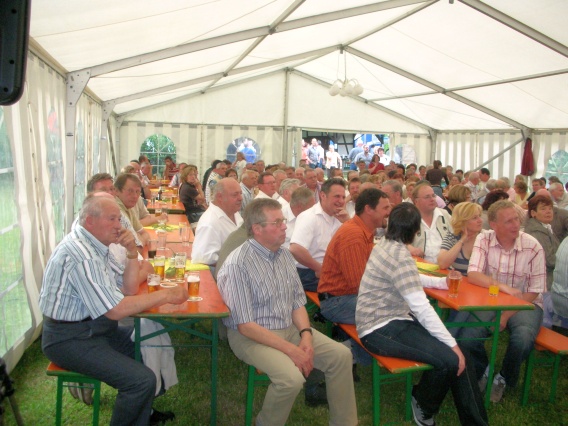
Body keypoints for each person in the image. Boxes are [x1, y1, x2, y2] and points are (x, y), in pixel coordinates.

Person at [40, 196, 188, 426]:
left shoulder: (96, 245)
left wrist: (131, 252)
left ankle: (144, 415)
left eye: (119, 219)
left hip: (95, 329)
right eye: (112, 219)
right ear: (90, 221)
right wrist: (166, 295)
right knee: (141, 380)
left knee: (148, 348)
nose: (119, 225)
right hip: (68, 339)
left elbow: (129, 289)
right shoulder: (82, 255)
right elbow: (115, 310)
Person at [217, 199, 358, 426]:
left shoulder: (284, 255)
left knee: (341, 356)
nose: (285, 226)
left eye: (283, 220)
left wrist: (306, 336)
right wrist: (293, 351)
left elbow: (297, 303)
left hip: (289, 328)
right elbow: (245, 326)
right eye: (277, 222)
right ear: (257, 229)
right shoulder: (238, 264)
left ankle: (345, 423)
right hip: (252, 337)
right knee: (290, 380)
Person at [356, 203, 489, 426]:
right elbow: (422, 308)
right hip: (378, 329)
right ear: (416, 231)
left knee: (460, 354)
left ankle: (475, 422)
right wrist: (451, 344)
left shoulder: (388, 244)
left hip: (392, 320)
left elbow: (409, 277)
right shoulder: (398, 255)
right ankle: (423, 404)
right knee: (452, 358)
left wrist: (442, 282)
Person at [455, 200, 545, 403]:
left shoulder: (532, 246)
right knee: (467, 338)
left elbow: (534, 290)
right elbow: (473, 274)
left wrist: (505, 315)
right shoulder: (484, 239)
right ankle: (483, 369)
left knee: (522, 339)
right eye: (509, 221)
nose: (516, 225)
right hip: (492, 300)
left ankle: (504, 377)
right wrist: (503, 288)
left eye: (516, 219)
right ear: (494, 225)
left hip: (526, 303)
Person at [318, 188, 391, 366]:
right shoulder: (354, 235)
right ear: (369, 209)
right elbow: (359, 284)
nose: (389, 212)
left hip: (344, 297)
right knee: (393, 312)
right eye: (385, 208)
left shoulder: (363, 230)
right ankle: (343, 355)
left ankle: (355, 355)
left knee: (394, 307)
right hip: (337, 302)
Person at [289, 178, 349, 291]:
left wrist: (347, 222)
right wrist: (319, 268)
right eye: (337, 196)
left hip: (332, 270)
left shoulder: (339, 217)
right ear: (323, 195)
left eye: (343, 197)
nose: (341, 201)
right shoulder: (309, 216)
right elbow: (295, 249)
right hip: (309, 273)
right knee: (351, 289)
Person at [191, 178, 243, 268]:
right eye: (235, 195)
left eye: (240, 193)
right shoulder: (210, 222)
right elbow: (203, 258)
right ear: (220, 197)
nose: (240, 198)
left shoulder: (234, 213)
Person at [409, 183, 453, 262]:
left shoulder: (444, 214)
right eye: (427, 197)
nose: (432, 199)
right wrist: (408, 247)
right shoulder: (409, 218)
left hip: (446, 264)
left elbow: (457, 234)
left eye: (433, 195)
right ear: (416, 201)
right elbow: (396, 241)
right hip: (419, 265)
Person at [524, 195, 559, 290]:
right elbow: (550, 260)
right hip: (546, 284)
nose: (548, 211)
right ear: (533, 213)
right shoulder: (537, 231)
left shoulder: (545, 227)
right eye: (543, 209)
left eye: (550, 208)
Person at [437, 202, 483, 275]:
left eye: (479, 216)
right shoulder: (453, 236)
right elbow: (442, 264)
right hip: (460, 281)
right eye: (474, 218)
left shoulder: (486, 237)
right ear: (462, 221)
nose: (480, 220)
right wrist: (462, 240)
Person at [114, 173, 151, 246]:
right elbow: (134, 244)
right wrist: (139, 239)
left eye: (137, 191)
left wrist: (139, 239)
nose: (135, 196)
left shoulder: (128, 207)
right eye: (130, 191)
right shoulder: (116, 210)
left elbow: (144, 233)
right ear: (117, 191)